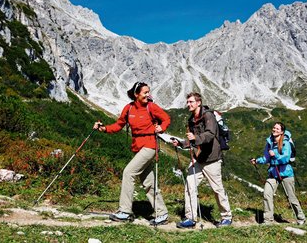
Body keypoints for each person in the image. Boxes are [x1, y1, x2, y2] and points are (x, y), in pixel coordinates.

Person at [93, 82, 170, 226]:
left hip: (149, 146)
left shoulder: (151, 107)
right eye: (145, 92)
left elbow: (166, 118)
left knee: (128, 172)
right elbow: (118, 125)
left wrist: (161, 127)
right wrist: (103, 128)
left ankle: (125, 212)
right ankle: (162, 214)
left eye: (148, 92)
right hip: (138, 148)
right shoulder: (128, 109)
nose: (148, 95)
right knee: (148, 182)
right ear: (136, 94)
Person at [172, 92, 232, 228]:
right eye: (188, 102)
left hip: (212, 159)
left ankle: (227, 217)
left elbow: (210, 135)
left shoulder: (208, 115)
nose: (188, 104)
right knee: (189, 186)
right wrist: (181, 143)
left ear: (198, 102)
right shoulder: (191, 120)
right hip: (198, 159)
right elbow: (193, 140)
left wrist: (195, 138)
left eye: (191, 102)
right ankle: (190, 218)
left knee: (217, 189)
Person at [250, 122, 306, 225]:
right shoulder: (270, 142)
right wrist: (257, 161)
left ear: (282, 132)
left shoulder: (285, 142)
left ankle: (301, 217)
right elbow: (267, 158)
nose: (274, 129)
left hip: (286, 173)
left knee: (291, 197)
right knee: (267, 194)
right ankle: (268, 220)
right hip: (273, 172)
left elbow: (286, 157)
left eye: (277, 128)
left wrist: (275, 154)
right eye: (274, 128)